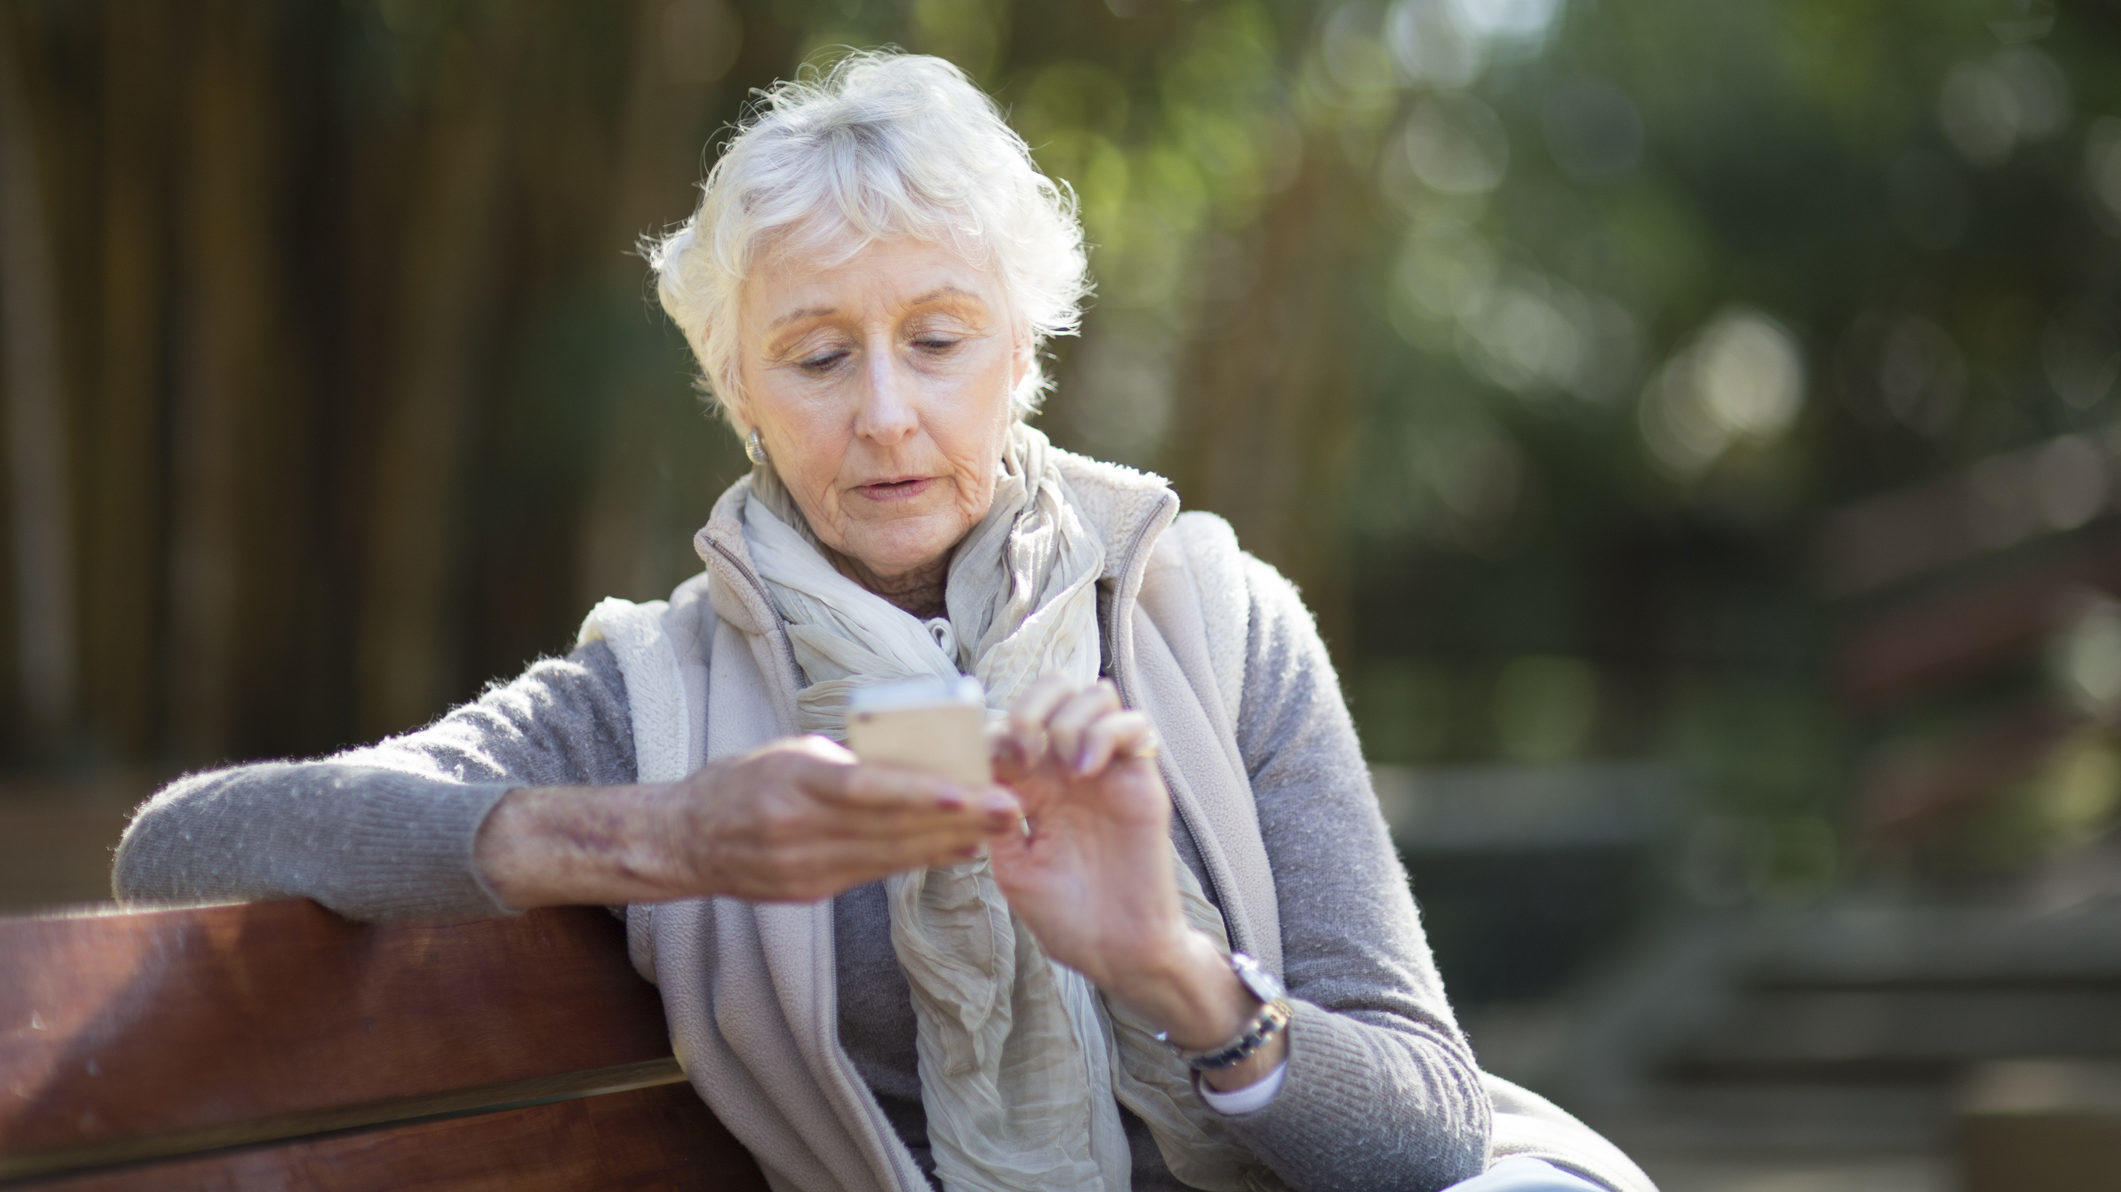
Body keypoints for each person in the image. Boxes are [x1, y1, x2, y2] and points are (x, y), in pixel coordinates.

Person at [114, 51, 1654, 1192]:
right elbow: (182, 843)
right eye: (813, 356)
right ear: (734, 391)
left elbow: (1425, 1126)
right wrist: (663, 840)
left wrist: (1165, 963)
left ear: (1022, 351)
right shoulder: (656, 693)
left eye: (936, 339)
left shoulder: (1209, 620)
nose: (886, 416)